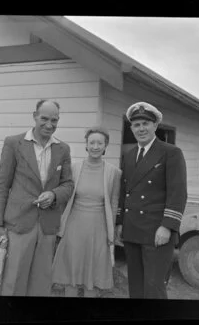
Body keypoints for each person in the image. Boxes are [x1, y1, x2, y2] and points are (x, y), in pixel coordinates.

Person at [0, 99, 74, 296]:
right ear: (34, 116)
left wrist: (54, 195)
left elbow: (68, 184)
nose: (49, 124)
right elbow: (2, 185)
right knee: (14, 280)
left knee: (41, 282)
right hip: (19, 223)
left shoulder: (63, 149)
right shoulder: (13, 143)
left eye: (54, 120)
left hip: (47, 226)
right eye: (44, 118)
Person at [116, 101, 187, 299]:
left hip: (157, 232)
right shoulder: (129, 156)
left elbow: (178, 193)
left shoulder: (171, 153)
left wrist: (168, 226)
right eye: (136, 125)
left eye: (145, 124)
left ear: (155, 126)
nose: (141, 129)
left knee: (154, 288)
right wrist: (120, 222)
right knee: (136, 286)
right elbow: (125, 191)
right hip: (132, 230)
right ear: (131, 128)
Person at [52, 126, 122, 298]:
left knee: (93, 275)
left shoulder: (114, 172)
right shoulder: (74, 168)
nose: (96, 147)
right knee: (71, 275)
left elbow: (113, 204)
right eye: (92, 142)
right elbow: (66, 197)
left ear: (106, 146)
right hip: (74, 227)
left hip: (99, 229)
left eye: (100, 143)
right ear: (86, 145)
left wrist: (110, 233)